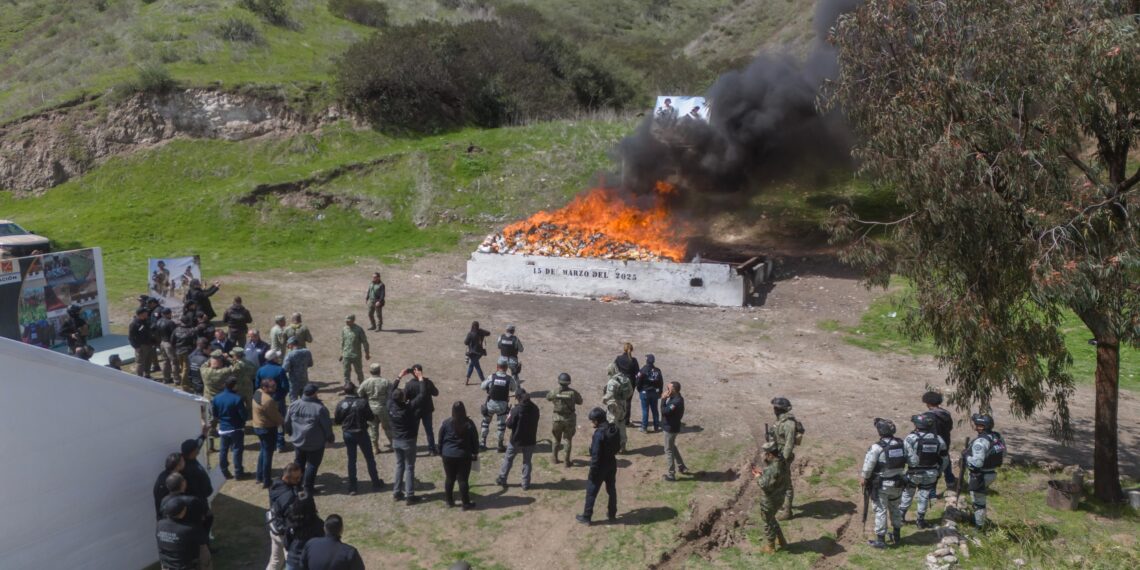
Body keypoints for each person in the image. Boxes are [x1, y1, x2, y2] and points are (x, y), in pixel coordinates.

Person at [268, 463, 324, 570]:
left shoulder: (276, 485)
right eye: (296, 478)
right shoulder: (289, 497)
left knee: (275, 561)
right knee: (290, 561)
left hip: (275, 528)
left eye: (300, 477)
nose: (299, 480)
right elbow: (295, 518)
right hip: (285, 532)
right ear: (286, 477)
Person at [861, 418, 906, 548]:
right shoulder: (901, 444)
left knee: (880, 510)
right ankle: (897, 535)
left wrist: (864, 477)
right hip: (898, 483)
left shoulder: (876, 447)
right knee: (895, 508)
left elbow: (868, 466)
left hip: (881, 485)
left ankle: (881, 540)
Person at [899, 412, 949, 528]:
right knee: (924, 496)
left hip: (914, 473)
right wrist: (939, 472)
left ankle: (901, 518)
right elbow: (945, 459)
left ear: (917, 425)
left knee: (907, 494)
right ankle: (920, 521)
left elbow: (904, 456)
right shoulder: (939, 439)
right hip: (931, 473)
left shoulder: (911, 438)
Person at [285, 383, 335, 496]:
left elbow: (287, 422)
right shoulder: (320, 408)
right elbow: (327, 426)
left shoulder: (293, 405)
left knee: (299, 464)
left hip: (298, 441)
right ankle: (308, 488)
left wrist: (291, 433)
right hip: (315, 443)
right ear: (314, 394)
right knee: (312, 465)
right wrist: (329, 437)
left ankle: (297, 486)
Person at [334, 384, 385, 495]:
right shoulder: (362, 402)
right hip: (361, 433)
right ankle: (376, 482)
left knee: (351, 460)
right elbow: (370, 417)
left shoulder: (341, 404)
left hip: (348, 434)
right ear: (355, 390)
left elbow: (337, 420)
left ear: (345, 391)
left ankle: (352, 487)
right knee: (369, 458)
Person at [576, 407, 621, 525]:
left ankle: (587, 516)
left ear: (597, 420)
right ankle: (612, 514)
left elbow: (595, 455)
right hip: (612, 462)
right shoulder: (613, 428)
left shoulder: (599, 434)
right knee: (611, 489)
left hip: (600, 465)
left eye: (592, 420)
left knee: (591, 491)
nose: (591, 423)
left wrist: (593, 470)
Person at [388, 384, 429, 504]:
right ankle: (410, 496)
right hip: (408, 441)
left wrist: (398, 377)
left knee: (399, 465)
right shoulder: (408, 408)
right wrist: (421, 379)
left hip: (396, 440)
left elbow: (390, 392)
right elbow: (422, 396)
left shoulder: (390, 406)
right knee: (409, 467)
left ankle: (396, 492)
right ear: (403, 398)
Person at [965, 413, 1006, 530]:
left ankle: (979, 527)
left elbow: (977, 463)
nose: (975, 426)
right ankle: (978, 519)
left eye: (977, 424)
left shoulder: (980, 442)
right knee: (977, 498)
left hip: (980, 475)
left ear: (981, 426)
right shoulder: (997, 437)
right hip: (992, 473)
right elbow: (1004, 453)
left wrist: (966, 456)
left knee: (979, 501)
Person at [438, 401, 479, 510]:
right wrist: (475, 452)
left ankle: (449, 501)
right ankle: (465, 503)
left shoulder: (446, 423)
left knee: (449, 478)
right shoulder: (469, 424)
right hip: (463, 456)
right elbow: (475, 440)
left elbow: (440, 438)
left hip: (448, 455)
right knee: (463, 480)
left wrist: (440, 451)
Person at [751, 441, 789, 554]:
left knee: (768, 522)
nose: (765, 456)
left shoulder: (772, 469)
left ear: (771, 455)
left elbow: (764, 485)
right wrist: (764, 474)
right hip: (780, 497)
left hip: (770, 500)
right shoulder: (783, 462)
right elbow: (775, 478)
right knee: (772, 518)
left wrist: (758, 477)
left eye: (766, 454)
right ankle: (782, 541)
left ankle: (770, 547)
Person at [498, 389, 539, 490]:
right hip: (530, 440)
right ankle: (525, 484)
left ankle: (502, 478)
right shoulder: (535, 408)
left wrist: (508, 416)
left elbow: (509, 425)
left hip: (516, 440)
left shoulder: (516, 410)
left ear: (518, 398)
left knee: (508, 458)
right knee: (527, 462)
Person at [212, 376, 249, 479]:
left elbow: (215, 414)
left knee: (223, 450)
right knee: (237, 450)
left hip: (223, 428)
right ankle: (238, 472)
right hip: (236, 428)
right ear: (234, 386)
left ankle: (224, 471)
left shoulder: (216, 398)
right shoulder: (237, 399)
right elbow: (244, 416)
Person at [156, 499, 209, 570]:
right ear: (183, 511)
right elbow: (202, 543)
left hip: (166, 565)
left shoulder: (160, 524)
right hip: (184, 566)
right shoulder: (188, 529)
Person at [770, 397, 799, 520]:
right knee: (777, 480)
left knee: (786, 484)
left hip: (783, 456)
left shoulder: (789, 424)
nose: (774, 410)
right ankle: (782, 504)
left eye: (775, 408)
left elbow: (789, 443)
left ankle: (787, 512)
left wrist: (784, 459)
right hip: (777, 453)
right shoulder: (780, 421)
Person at [480, 358, 518, 452]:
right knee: (501, 425)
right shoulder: (509, 379)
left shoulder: (491, 377)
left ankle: (482, 443)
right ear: (506, 367)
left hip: (490, 404)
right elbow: (514, 389)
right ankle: (500, 445)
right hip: (502, 406)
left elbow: (482, 386)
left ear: (497, 367)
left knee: (485, 422)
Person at [300, 515, 365, 570]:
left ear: (324, 528)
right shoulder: (349, 552)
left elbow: (302, 566)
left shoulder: (311, 544)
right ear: (341, 530)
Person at [252, 376, 284, 488]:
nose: (275, 388)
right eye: (272, 387)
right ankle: (266, 480)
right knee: (267, 455)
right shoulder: (268, 401)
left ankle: (259, 476)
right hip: (267, 429)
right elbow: (276, 417)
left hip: (257, 426)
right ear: (264, 387)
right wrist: (283, 421)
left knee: (263, 451)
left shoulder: (257, 392)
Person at [181, 433, 214, 537]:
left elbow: (198, 444)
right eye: (196, 449)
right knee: (204, 523)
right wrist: (202, 509)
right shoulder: (188, 469)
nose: (198, 449)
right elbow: (195, 490)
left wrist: (203, 435)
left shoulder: (190, 457)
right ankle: (205, 546)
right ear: (192, 452)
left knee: (208, 520)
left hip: (202, 499)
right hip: (199, 502)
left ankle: (206, 544)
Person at [401, 364, 440, 455]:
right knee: (429, 430)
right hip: (427, 410)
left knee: (414, 431)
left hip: (415, 411)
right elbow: (436, 393)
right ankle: (432, 450)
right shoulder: (428, 383)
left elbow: (404, 398)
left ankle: (412, 449)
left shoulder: (409, 385)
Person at [546, 372, 583, 466]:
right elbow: (580, 401)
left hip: (557, 419)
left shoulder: (554, 391)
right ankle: (566, 461)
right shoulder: (573, 393)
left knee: (555, 438)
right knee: (568, 439)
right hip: (569, 419)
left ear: (559, 381)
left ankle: (554, 458)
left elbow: (548, 397)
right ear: (569, 382)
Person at [257, 350, 291, 452]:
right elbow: (285, 386)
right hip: (278, 399)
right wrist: (279, 397)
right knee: (279, 421)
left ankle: (269, 442)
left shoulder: (260, 370)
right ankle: (280, 443)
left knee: (267, 420)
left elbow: (257, 386)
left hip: (264, 400)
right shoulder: (280, 370)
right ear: (274, 359)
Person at [358, 363, 396, 453]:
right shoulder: (385, 381)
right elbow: (392, 393)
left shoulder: (366, 382)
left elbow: (360, 394)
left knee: (373, 428)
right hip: (383, 408)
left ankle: (375, 448)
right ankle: (393, 445)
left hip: (371, 408)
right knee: (388, 427)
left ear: (370, 371)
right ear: (379, 371)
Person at [923, 391, 956, 493]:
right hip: (945, 441)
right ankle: (950, 482)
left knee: (933, 466)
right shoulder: (946, 413)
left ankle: (931, 490)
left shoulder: (928, 416)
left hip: (933, 444)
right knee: (946, 460)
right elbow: (950, 427)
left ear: (928, 403)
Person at [602, 362, 633, 453]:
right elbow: (630, 392)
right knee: (622, 425)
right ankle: (623, 446)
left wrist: (603, 399)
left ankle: (612, 447)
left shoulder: (612, 382)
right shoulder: (625, 379)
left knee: (612, 426)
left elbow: (610, 394)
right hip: (623, 405)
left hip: (614, 406)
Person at [661, 381, 688, 481]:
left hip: (670, 428)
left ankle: (671, 474)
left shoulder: (676, 402)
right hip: (674, 427)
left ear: (674, 390)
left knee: (668, 450)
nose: (666, 391)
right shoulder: (677, 397)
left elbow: (664, 411)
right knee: (672, 447)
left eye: (668, 389)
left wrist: (663, 400)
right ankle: (682, 466)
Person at [339, 315, 370, 391]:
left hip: (356, 356)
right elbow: (342, 342)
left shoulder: (359, 330)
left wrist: (367, 353)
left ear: (353, 320)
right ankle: (347, 388)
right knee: (346, 372)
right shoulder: (344, 329)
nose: (346, 322)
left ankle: (362, 388)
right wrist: (341, 353)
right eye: (346, 320)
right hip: (346, 355)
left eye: (348, 320)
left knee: (359, 372)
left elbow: (365, 342)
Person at [635, 354, 663, 432]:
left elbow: (638, 381)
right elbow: (661, 382)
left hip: (645, 393)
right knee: (655, 410)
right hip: (654, 393)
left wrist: (639, 389)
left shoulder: (643, 370)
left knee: (645, 410)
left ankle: (644, 427)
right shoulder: (657, 370)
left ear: (647, 360)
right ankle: (656, 427)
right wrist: (660, 392)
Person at [613, 343, 640, 428]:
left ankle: (618, 418)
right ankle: (626, 421)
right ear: (632, 350)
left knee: (618, 400)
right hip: (630, 383)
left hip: (620, 382)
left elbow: (614, 369)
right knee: (628, 402)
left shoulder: (618, 359)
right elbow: (637, 373)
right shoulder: (634, 360)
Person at [154, 452, 185, 519]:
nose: (184, 462)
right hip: (168, 517)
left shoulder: (163, 475)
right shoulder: (172, 481)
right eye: (183, 461)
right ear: (178, 466)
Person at [283, 337, 314, 402]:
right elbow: (310, 364)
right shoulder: (307, 352)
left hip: (294, 382)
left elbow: (285, 369)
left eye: (288, 345)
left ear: (291, 344)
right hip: (304, 380)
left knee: (293, 401)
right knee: (305, 400)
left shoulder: (290, 355)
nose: (288, 347)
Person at [172, 315, 198, 392]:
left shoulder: (176, 330)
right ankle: (184, 385)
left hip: (178, 351)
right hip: (188, 352)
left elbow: (172, 340)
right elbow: (195, 342)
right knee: (186, 369)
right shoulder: (192, 330)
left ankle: (185, 382)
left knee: (182, 368)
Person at [129, 307, 156, 379]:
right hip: (141, 346)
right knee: (140, 363)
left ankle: (147, 375)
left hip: (149, 344)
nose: (147, 314)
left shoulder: (146, 321)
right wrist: (136, 347)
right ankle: (139, 378)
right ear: (141, 314)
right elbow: (131, 337)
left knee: (148, 361)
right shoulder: (134, 324)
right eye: (145, 313)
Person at [229, 346, 256, 412]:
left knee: (239, 404)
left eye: (233, 355)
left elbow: (231, 371)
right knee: (249, 403)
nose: (232, 356)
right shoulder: (250, 363)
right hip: (249, 386)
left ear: (236, 356)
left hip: (239, 388)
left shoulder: (237, 365)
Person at [155, 307, 178, 383]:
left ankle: (166, 378)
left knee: (165, 361)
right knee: (174, 361)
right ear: (168, 314)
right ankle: (176, 379)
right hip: (169, 343)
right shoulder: (170, 322)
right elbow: (174, 335)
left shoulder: (158, 321)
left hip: (162, 342)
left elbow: (157, 334)